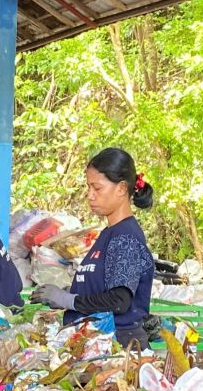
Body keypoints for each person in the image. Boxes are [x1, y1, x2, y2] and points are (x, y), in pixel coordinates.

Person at [32, 147, 156, 349]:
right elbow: (101, 287)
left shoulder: (125, 237)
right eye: (88, 187)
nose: (90, 195)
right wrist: (68, 292)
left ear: (122, 189)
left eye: (97, 188)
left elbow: (119, 300)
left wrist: (68, 299)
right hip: (95, 340)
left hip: (118, 344)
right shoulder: (109, 233)